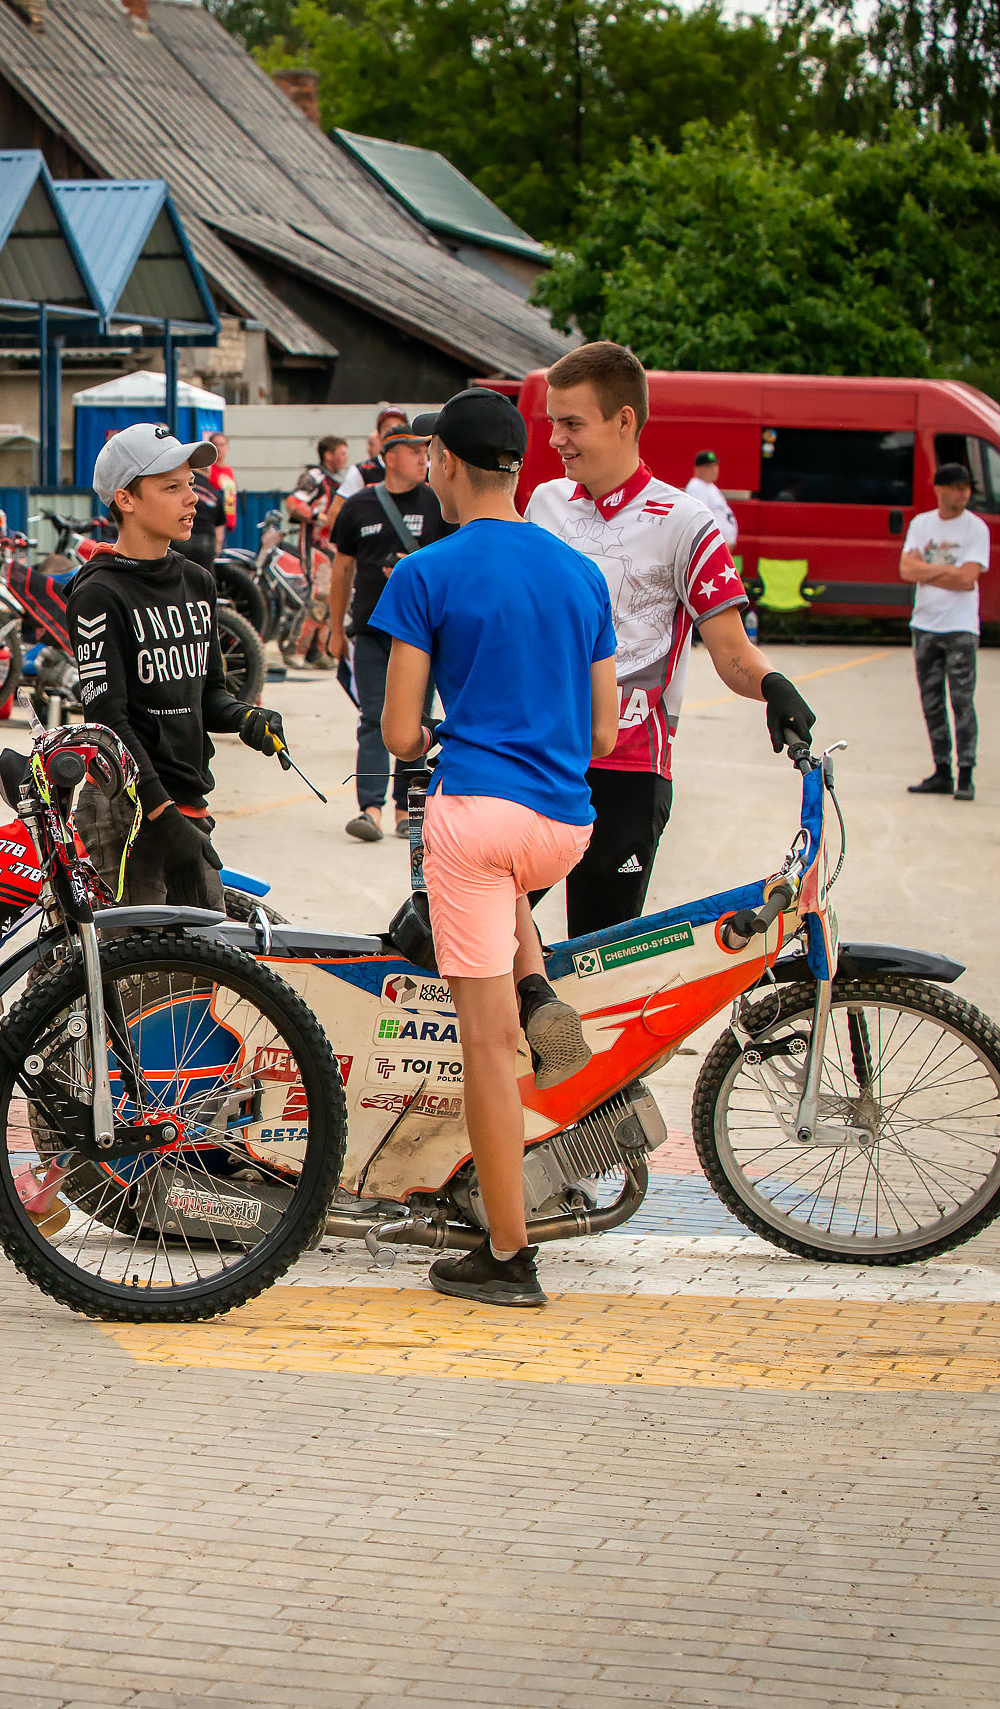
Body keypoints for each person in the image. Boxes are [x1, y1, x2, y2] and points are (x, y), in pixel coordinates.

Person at [369, 387, 618, 1310]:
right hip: (565, 825)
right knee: (502, 869)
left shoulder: (424, 572)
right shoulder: (579, 572)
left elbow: (398, 734)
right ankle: (536, 981)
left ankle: (509, 1255)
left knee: (486, 1049)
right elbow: (601, 732)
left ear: (444, 463)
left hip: (476, 817)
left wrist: (453, 732)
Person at [524, 342, 814, 936]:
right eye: (553, 423)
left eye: (572, 423)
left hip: (628, 772)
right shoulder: (543, 504)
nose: (556, 439)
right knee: (476, 939)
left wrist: (773, 686)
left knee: (595, 959)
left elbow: (731, 652)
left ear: (624, 420)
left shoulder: (686, 522)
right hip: (535, 759)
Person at [68, 422, 286, 908]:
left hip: (187, 806)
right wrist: (160, 813)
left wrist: (246, 717)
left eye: (190, 483)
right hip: (128, 813)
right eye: (171, 487)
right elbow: (108, 723)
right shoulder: (99, 593)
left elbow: (207, 693)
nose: (193, 498)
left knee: (202, 970)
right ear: (125, 499)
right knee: (143, 978)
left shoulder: (197, 581)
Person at [327, 424, 451, 842]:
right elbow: (341, 570)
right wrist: (334, 629)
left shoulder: (438, 504)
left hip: (422, 634)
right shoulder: (359, 506)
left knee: (416, 720)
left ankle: (407, 808)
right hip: (370, 630)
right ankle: (370, 809)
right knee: (373, 718)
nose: (424, 459)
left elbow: (452, 565)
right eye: (415, 452)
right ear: (389, 455)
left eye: (426, 452)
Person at [900, 460, 986, 801]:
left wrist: (927, 569)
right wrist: (945, 570)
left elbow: (968, 578)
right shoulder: (922, 524)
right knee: (932, 702)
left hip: (960, 627)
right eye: (958, 488)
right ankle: (942, 770)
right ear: (940, 489)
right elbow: (906, 570)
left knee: (962, 700)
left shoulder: (975, 528)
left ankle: (966, 772)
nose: (964, 495)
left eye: (967, 489)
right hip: (925, 625)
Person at [281, 434, 350, 669]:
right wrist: (319, 518)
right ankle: (295, 651)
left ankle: (317, 653)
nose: (345, 457)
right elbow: (293, 502)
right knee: (318, 597)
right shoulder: (315, 477)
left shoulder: (339, 481)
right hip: (315, 547)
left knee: (333, 600)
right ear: (328, 454)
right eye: (341, 452)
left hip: (334, 548)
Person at [185, 430, 238, 567]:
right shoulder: (209, 470)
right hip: (211, 524)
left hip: (225, 522)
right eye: (216, 445)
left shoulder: (228, 471)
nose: (219, 448)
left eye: (222, 445)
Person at [337, 405, 408, 498]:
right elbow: (336, 510)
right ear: (378, 435)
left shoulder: (422, 469)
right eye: (388, 428)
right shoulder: (361, 472)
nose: (393, 433)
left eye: (399, 427)